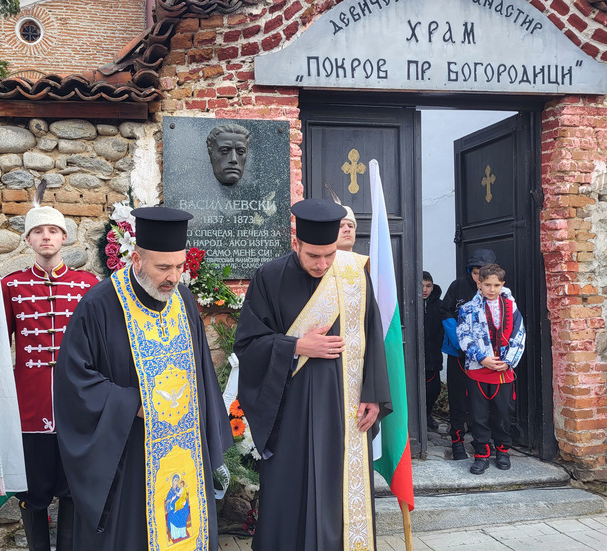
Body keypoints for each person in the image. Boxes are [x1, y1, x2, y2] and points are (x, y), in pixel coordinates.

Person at [53, 206, 233, 551]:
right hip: (128, 451)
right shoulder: (99, 306)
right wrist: (132, 403)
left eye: (180, 266)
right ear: (136, 259)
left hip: (184, 449)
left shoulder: (181, 298)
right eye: (163, 267)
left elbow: (201, 372)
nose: (173, 276)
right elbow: (74, 382)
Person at [234, 198, 392, 551]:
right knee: (291, 491)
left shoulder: (354, 273)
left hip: (345, 406)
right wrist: (295, 346)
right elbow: (247, 344)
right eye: (313, 256)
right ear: (296, 244)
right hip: (289, 408)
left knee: (338, 491)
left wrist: (374, 393)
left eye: (330, 255)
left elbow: (372, 335)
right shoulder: (269, 277)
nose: (323, 264)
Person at [0, 201, 99, 551]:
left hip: (76, 408)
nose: (46, 237)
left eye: (52, 230)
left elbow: (100, 347)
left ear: (64, 237)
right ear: (27, 239)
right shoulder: (13, 286)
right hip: (28, 409)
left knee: (72, 492)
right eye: (38, 231)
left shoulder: (88, 285)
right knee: (32, 493)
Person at [456, 263, 526, 475]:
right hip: (478, 369)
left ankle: (503, 451)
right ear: (479, 283)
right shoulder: (467, 309)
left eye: (496, 285)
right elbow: (463, 336)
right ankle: (482, 454)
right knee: (479, 415)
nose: (492, 289)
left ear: (502, 284)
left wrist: (509, 361)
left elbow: (519, 334)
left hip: (503, 371)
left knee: (503, 413)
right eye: (487, 284)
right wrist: (481, 358)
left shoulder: (512, 307)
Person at [439, 248, 496, 460]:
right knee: (458, 398)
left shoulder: (496, 291)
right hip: (459, 354)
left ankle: (483, 441)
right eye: (475, 272)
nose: (478, 277)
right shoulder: (459, 285)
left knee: (481, 399)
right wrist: (458, 341)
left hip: (486, 358)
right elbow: (445, 310)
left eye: (483, 272)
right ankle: (457, 441)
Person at [422, 271, 444, 431]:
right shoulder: (407, 303)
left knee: (433, 389)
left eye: (428, 286)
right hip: (414, 356)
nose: (425, 289)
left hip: (433, 355)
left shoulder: (439, 305)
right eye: (421, 286)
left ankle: (428, 413)